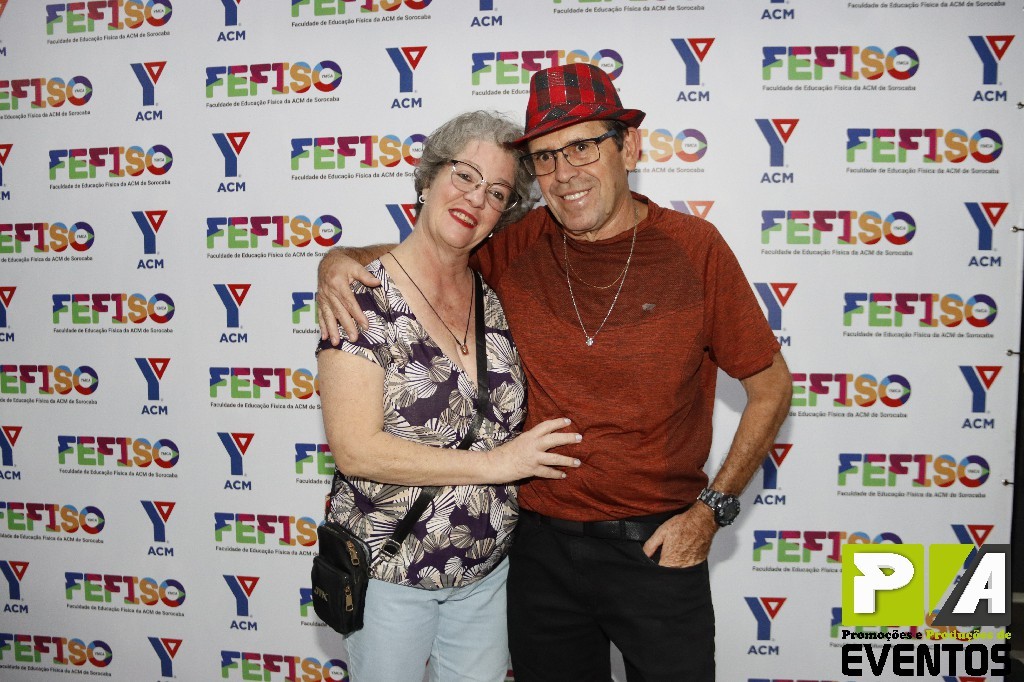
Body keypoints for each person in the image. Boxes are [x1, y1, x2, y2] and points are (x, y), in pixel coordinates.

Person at [318, 65, 792, 682]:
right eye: (545, 157)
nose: (564, 173)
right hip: (535, 553)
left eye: (583, 147)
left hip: (656, 548)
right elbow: (432, 251)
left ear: (629, 148)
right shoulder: (518, 242)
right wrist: (338, 260)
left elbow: (771, 388)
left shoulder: (694, 248)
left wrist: (711, 512)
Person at [315, 110, 581, 682]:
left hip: (486, 577)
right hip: (391, 574)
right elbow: (356, 450)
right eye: (464, 175)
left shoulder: (496, 295)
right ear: (429, 177)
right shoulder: (362, 296)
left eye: (497, 192)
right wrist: (497, 465)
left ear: (504, 214)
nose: (476, 198)